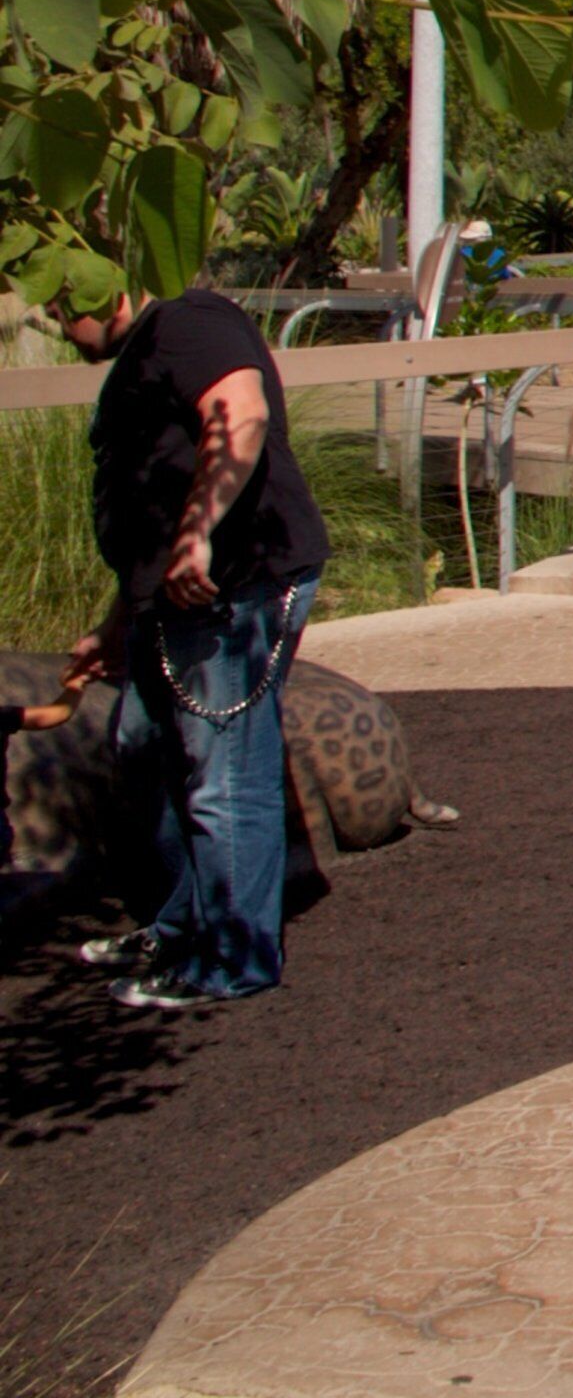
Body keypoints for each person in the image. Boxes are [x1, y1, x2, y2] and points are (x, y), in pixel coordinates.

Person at [53, 280, 331, 1009]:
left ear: (98, 286)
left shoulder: (189, 321)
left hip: (234, 589)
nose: (54, 322)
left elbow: (241, 412)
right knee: (144, 750)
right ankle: (183, 926)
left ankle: (233, 957)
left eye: (57, 304)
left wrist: (199, 533)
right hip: (175, 599)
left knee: (224, 774)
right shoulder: (151, 348)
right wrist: (119, 619)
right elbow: (152, 497)